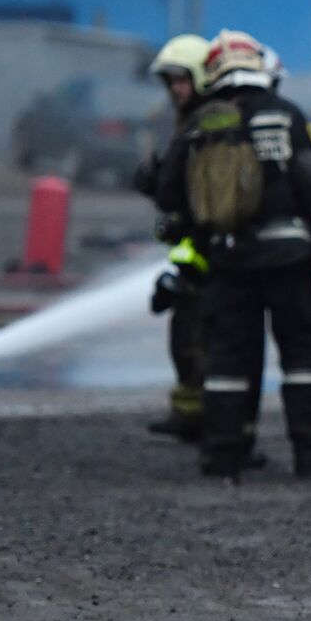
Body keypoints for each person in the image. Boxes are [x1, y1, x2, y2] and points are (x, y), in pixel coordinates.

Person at [156, 29, 311, 479]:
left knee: (229, 360)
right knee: (300, 356)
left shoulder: (203, 122)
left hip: (229, 261)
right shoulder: (286, 115)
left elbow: (169, 193)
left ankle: (225, 451)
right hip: (291, 259)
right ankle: (307, 450)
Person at [136, 34, 211, 441]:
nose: (176, 89)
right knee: (184, 336)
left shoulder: (208, 124)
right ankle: (189, 414)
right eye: (171, 82)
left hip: (210, 253)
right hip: (190, 250)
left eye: (183, 80)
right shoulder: (186, 123)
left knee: (201, 339)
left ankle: (208, 419)